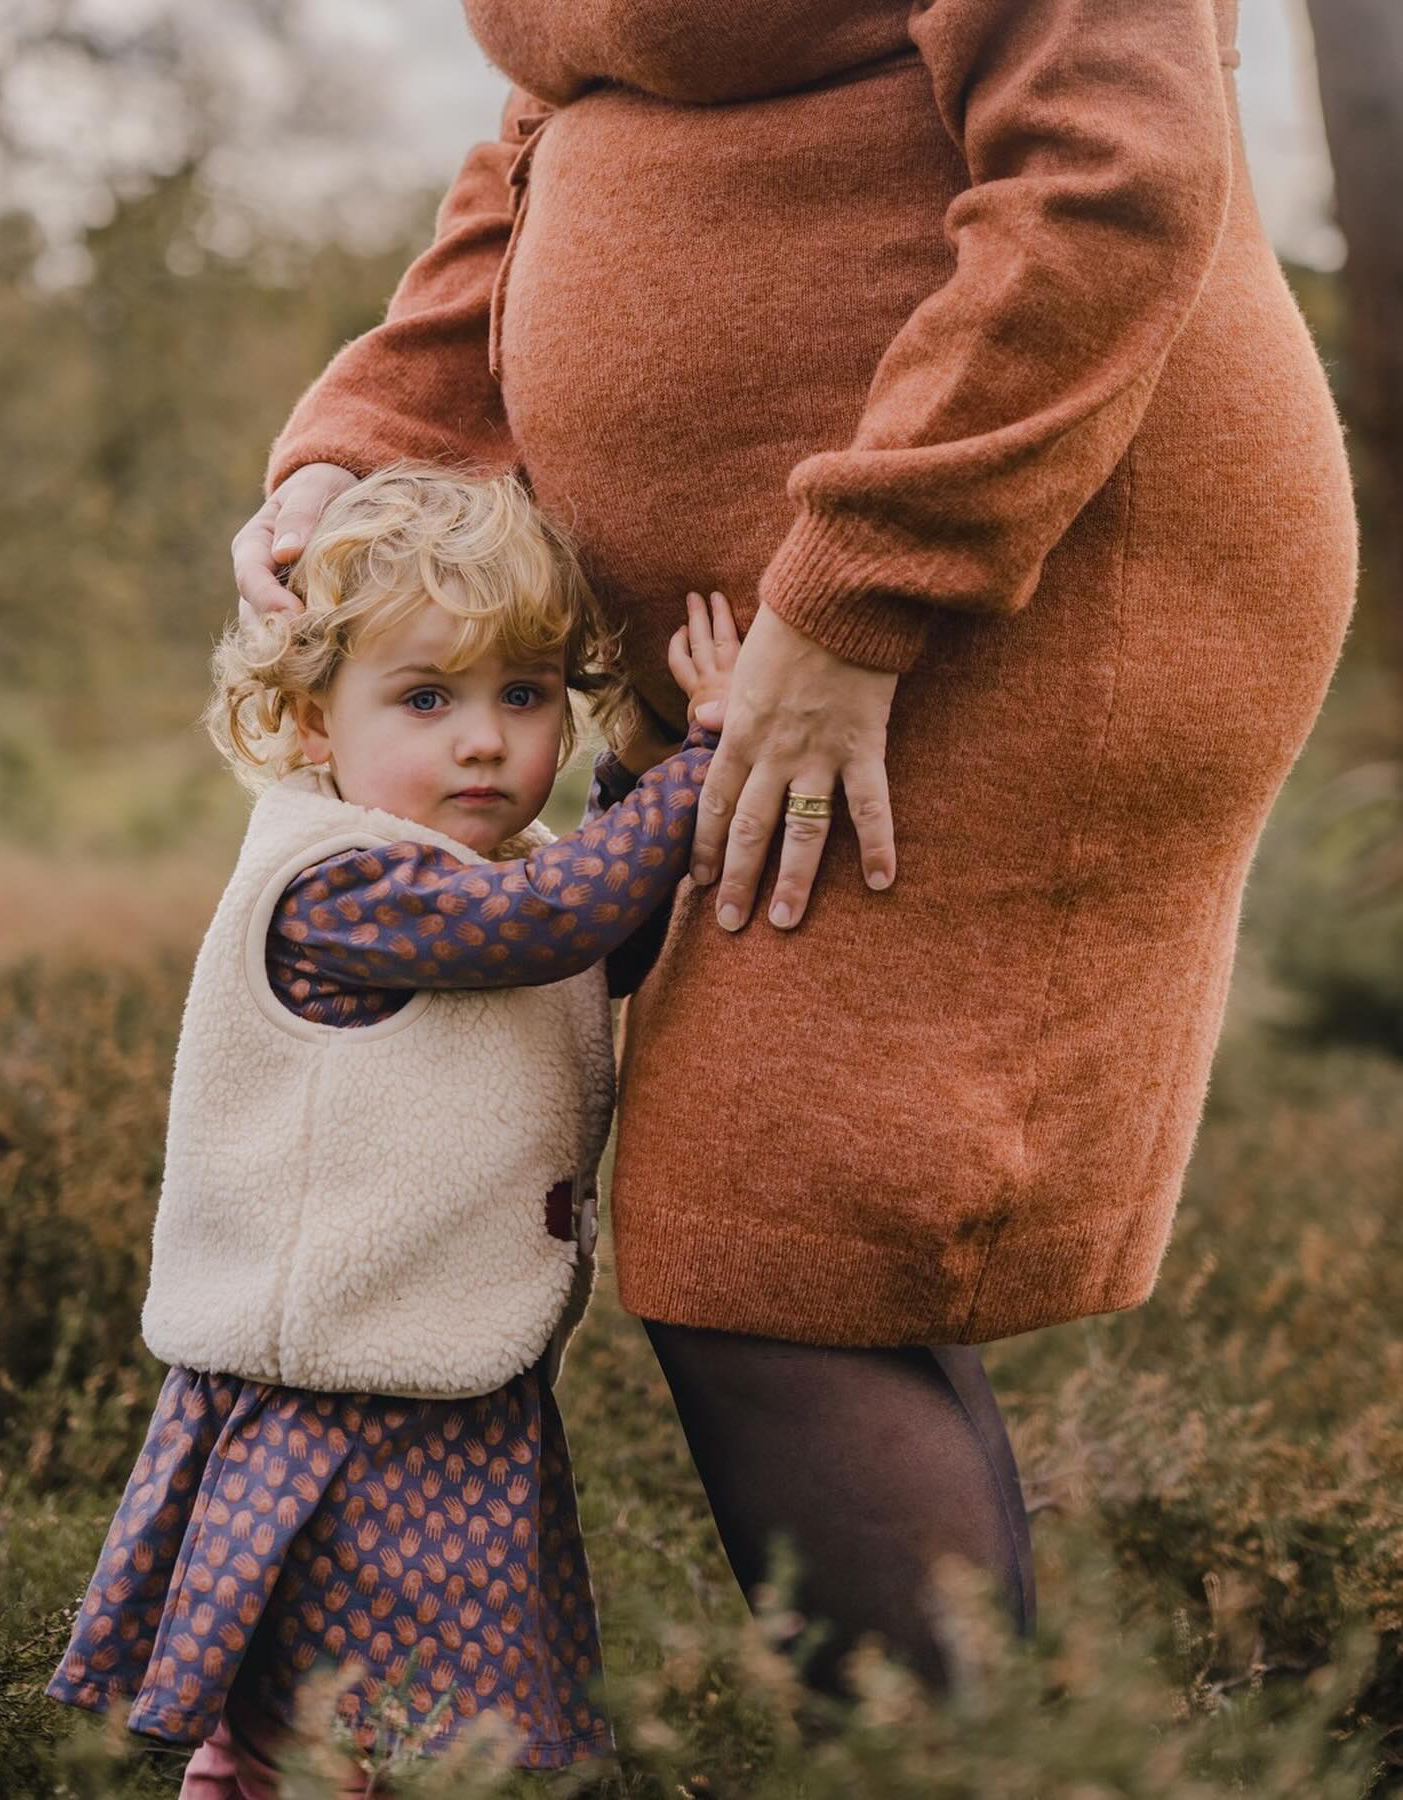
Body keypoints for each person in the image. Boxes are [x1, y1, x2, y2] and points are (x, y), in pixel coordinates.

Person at [233, 0, 1357, 1692]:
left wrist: (859, 594)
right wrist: (367, 449)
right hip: (778, 631)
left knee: (774, 1245)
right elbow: (541, 146)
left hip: (1017, 589)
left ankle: (946, 1768)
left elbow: (1108, 164)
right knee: (800, 1246)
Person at [47, 465, 738, 1793]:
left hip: (442, 1382)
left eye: (523, 696)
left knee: (412, 1733)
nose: (484, 740)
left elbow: (599, 944)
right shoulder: (336, 880)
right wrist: (699, 761)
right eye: (427, 699)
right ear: (314, 721)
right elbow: (550, 930)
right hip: (330, 1401)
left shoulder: (503, 868)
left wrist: (631, 781)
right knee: (304, 1725)